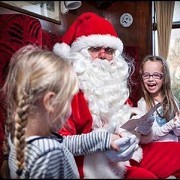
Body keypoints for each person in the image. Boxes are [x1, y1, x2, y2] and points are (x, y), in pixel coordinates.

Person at [0, 44, 138, 179]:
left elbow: (66, 143)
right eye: (69, 100)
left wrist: (106, 139)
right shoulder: (49, 154)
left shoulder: (22, 136)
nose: (71, 108)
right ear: (49, 102)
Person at [53, 12, 158, 179]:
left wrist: (143, 128)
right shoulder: (68, 91)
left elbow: (127, 123)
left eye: (108, 50)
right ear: (79, 53)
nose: (103, 54)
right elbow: (60, 143)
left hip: (129, 153)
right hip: (91, 164)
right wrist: (106, 144)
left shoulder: (114, 85)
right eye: (94, 49)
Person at [131, 55, 180, 178]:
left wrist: (177, 125)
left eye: (156, 75)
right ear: (142, 78)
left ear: (164, 78)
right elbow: (150, 136)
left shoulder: (173, 100)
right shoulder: (142, 104)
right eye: (146, 75)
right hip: (156, 154)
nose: (151, 79)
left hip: (174, 153)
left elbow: (178, 134)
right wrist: (171, 124)